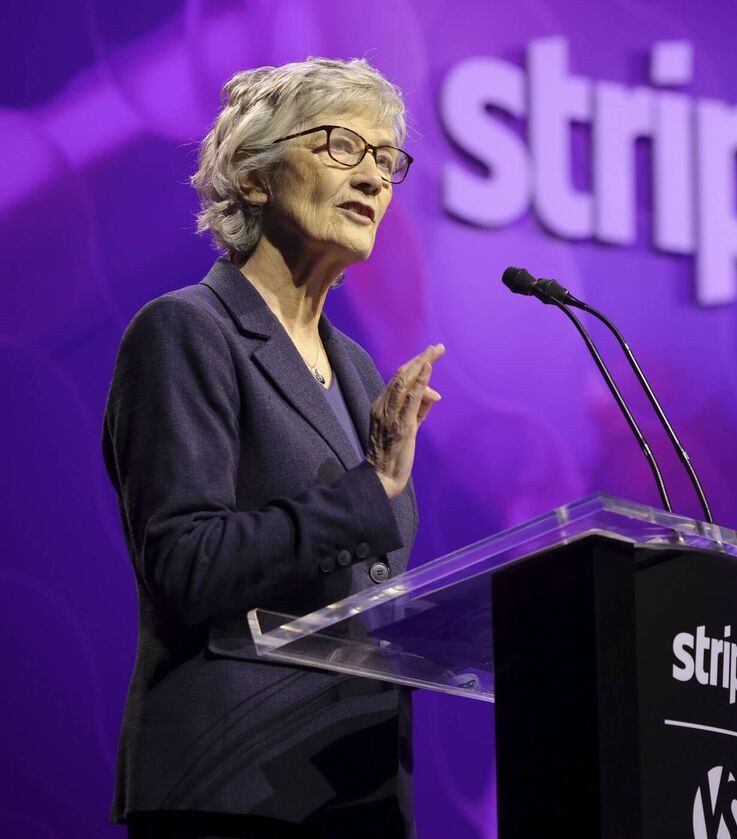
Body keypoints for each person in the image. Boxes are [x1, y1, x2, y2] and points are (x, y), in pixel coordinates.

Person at [101, 57, 441, 837]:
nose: (374, 179)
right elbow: (185, 564)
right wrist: (371, 489)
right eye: (341, 147)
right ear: (253, 178)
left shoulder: (357, 370)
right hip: (231, 784)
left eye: (386, 161)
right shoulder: (186, 331)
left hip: (352, 790)